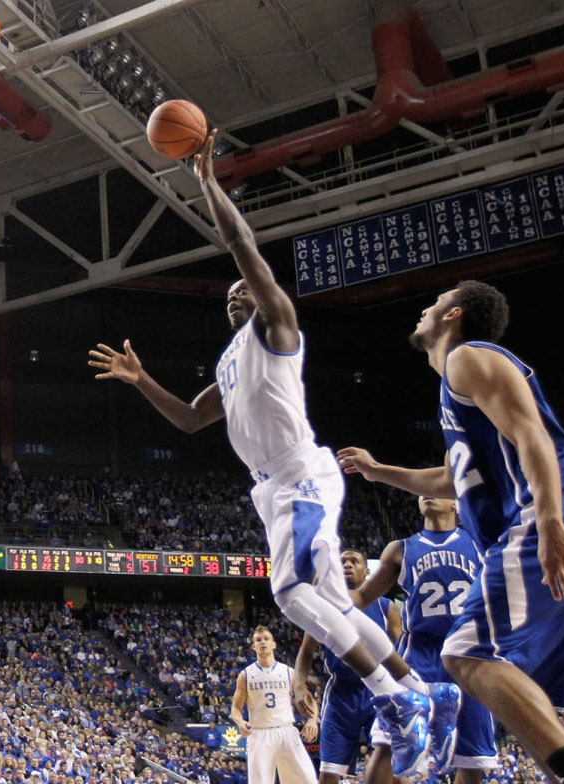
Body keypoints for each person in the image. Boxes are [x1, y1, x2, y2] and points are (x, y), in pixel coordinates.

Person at [88, 132, 448, 777]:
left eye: (243, 289)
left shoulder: (279, 326)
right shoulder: (229, 361)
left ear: (262, 294)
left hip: (300, 475)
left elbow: (243, 248)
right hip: (274, 486)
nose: (236, 293)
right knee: (336, 607)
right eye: (228, 294)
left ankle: (396, 703)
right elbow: (193, 420)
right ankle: (424, 691)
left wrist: (208, 186)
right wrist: (142, 381)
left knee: (288, 593)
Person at [337, 280, 564, 784]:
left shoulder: (468, 357)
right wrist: (380, 471)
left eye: (434, 302)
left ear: (454, 315)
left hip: (544, 513)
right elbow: (452, 476)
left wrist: (552, 519)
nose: (424, 309)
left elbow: (531, 432)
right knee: (525, 683)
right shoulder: (458, 388)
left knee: (467, 653)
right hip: (555, 512)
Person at [348, 496, 497, 783]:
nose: (427, 494)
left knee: (471, 758)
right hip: (419, 655)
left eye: (438, 490)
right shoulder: (400, 549)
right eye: (422, 491)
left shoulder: (480, 542)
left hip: (470, 654)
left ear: (456, 503)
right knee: (387, 742)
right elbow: (363, 597)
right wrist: (324, 590)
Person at [293, 549, 399, 784]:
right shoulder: (323, 606)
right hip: (341, 694)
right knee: (329, 773)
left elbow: (400, 651)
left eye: (354, 561)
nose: (347, 565)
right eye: (342, 562)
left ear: (367, 571)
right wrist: (299, 686)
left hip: (379, 691)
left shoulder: (386, 607)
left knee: (394, 767)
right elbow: (306, 651)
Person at [230, 626, 316, 784]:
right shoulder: (246, 675)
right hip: (259, 733)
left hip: (286, 730)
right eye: (258, 640)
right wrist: (240, 722)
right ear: (253, 647)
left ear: (273, 644)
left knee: (308, 779)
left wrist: (312, 720)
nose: (262, 642)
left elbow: (308, 698)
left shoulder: (288, 672)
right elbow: (235, 707)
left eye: (266, 639)